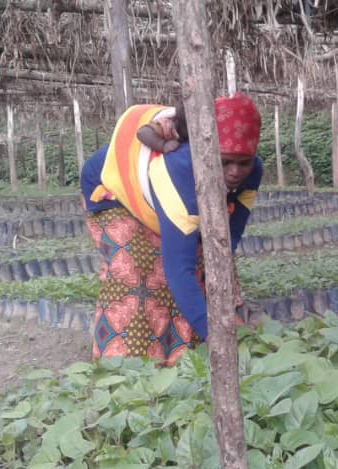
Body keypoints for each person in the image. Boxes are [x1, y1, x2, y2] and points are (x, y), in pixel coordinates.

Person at [81, 93, 263, 364]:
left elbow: (228, 238)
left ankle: (183, 352)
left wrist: (219, 264)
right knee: (138, 270)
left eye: (243, 162)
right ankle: (125, 365)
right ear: (206, 152)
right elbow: (178, 269)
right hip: (113, 188)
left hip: (168, 192)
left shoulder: (254, 171)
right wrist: (217, 338)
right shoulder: (181, 167)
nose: (235, 171)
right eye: (224, 162)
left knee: (203, 256)